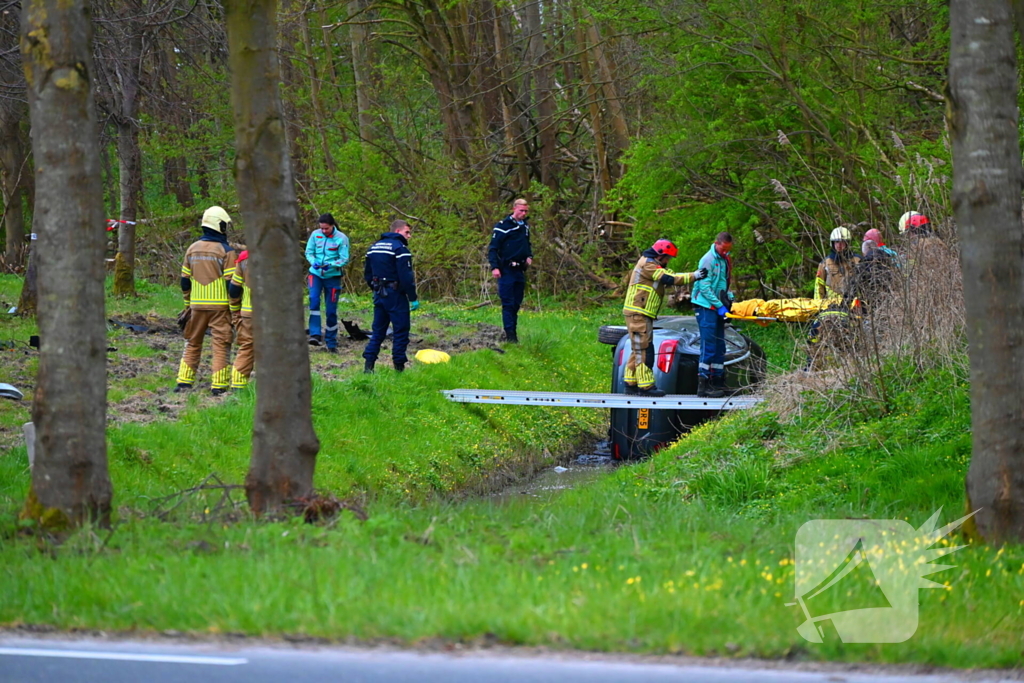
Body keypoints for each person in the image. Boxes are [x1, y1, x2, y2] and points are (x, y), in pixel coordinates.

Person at [622, 239, 707, 397]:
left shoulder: (651, 264)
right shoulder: (648, 265)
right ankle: (646, 387)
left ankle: (630, 383)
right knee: (645, 350)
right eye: (667, 258)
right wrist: (695, 275)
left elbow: (670, 275)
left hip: (640, 312)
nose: (668, 261)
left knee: (638, 349)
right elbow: (669, 278)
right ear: (659, 255)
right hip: (639, 313)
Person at [176, 206, 238, 396]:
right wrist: (235, 308)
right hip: (220, 308)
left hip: (196, 306)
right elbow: (231, 284)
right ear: (220, 226)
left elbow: (184, 281)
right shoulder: (226, 251)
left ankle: (184, 382)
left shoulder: (192, 249)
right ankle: (219, 386)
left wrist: (188, 304)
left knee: (192, 342)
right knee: (221, 344)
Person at [362, 220, 419, 374]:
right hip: (395, 295)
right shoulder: (400, 249)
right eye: (407, 232)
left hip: (379, 293)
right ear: (398, 231)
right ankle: (399, 368)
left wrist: (375, 288)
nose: (409, 236)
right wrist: (412, 297)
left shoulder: (373, 247)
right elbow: (406, 277)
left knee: (378, 331)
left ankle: (368, 366)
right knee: (401, 331)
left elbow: (367, 274)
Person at [692, 232, 734, 398]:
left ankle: (718, 381)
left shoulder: (724, 260)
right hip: (705, 306)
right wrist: (719, 305)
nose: (726, 252)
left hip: (716, 306)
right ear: (717, 244)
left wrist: (729, 300)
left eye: (728, 249)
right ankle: (703, 384)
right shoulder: (708, 260)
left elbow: (723, 283)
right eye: (723, 249)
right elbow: (704, 287)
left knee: (719, 346)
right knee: (708, 345)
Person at [488, 198, 533, 343]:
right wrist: (495, 267)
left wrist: (529, 256)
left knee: (516, 303)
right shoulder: (503, 226)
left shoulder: (525, 226)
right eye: (521, 210)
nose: (524, 213)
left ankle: (513, 330)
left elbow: (527, 244)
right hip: (506, 269)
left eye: (526, 211)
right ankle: (510, 336)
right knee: (508, 303)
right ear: (514, 209)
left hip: (520, 269)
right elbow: (493, 248)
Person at [305, 212, 349, 353]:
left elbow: (344, 258)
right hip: (315, 274)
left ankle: (331, 341)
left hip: (333, 277)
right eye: (322, 228)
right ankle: (315, 334)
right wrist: (313, 262)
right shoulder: (315, 235)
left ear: (332, 225)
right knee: (313, 301)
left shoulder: (341, 238)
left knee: (331, 310)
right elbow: (309, 252)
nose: (324, 231)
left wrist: (331, 265)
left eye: (326, 228)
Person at [228, 249, 253, 390]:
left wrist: (235, 310)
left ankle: (238, 386)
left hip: (249, 312)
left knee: (247, 347)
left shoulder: (244, 258)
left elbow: (234, 289)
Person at [814, 227, 861, 301]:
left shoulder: (857, 260)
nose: (839, 245)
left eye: (842, 242)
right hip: (832, 304)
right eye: (836, 242)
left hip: (854, 303)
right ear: (833, 243)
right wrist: (818, 304)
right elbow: (819, 288)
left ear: (847, 243)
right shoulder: (825, 263)